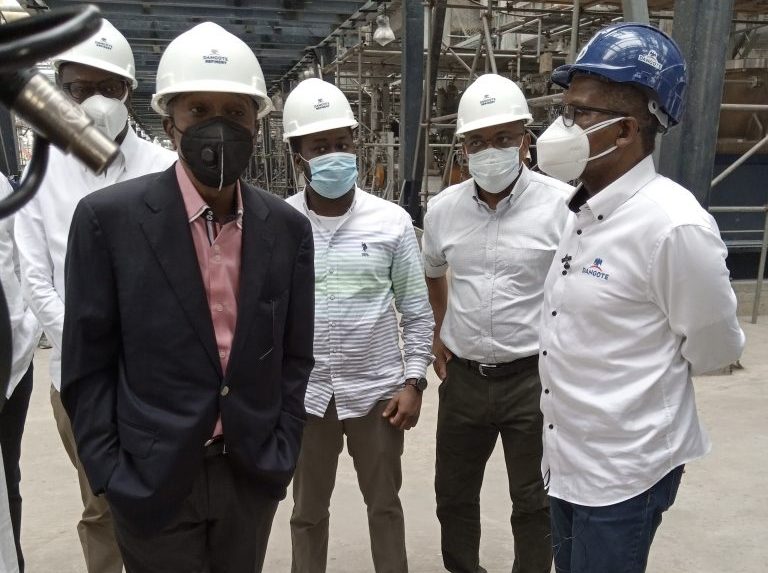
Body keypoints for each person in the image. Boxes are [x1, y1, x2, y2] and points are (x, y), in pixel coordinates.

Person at [60, 22, 314, 573]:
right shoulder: (110, 221)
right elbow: (87, 365)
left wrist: (282, 447)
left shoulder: (286, 229)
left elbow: (295, 356)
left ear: (256, 121)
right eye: (199, 110)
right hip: (152, 477)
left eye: (235, 111)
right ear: (168, 120)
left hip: (249, 472)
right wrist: (110, 473)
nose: (218, 127)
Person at [534, 23, 746, 573]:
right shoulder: (581, 208)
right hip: (567, 457)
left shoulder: (671, 226)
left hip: (625, 470)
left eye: (579, 113)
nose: (564, 125)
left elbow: (715, 345)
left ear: (625, 130)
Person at [13, 19, 175, 573]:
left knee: (160, 497)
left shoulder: (162, 170)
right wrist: (88, 347)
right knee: (100, 499)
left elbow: (178, 277)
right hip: (77, 378)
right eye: (79, 89)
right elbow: (36, 277)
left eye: (107, 87)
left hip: (155, 375)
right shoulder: (42, 174)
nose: (94, 101)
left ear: (129, 91)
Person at [421, 73, 571, 573]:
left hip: (533, 379)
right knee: (454, 495)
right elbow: (433, 274)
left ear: (525, 140)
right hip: (463, 379)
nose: (491, 150)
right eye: (478, 141)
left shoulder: (561, 207)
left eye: (504, 138)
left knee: (534, 501)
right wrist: (441, 333)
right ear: (462, 147)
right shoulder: (442, 211)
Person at [284, 78, 434, 573]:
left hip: (378, 393)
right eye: (320, 146)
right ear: (297, 155)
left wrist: (414, 382)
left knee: (385, 505)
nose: (335, 155)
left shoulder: (390, 222)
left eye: (342, 143)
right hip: (308, 396)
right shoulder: (281, 224)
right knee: (306, 511)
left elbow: (416, 311)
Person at [0, 175, 40, 572]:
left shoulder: (3, 187)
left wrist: (25, 330)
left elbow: (22, 263)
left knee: (7, 477)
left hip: (10, 367)